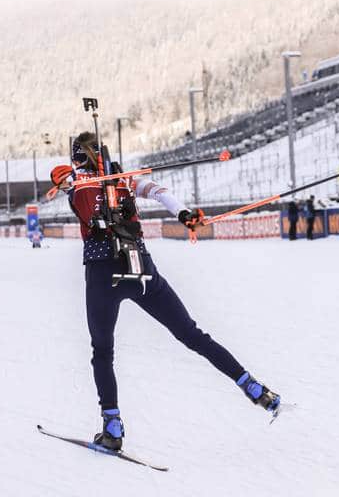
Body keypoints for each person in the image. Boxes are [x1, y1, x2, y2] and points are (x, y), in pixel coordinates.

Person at [52, 131, 280, 452]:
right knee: (192, 335)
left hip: (103, 272)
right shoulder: (122, 179)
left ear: (77, 157)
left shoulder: (83, 180)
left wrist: (69, 179)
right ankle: (254, 388)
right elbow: (158, 191)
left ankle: (112, 427)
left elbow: (69, 185)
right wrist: (184, 214)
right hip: (140, 266)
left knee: (102, 351)